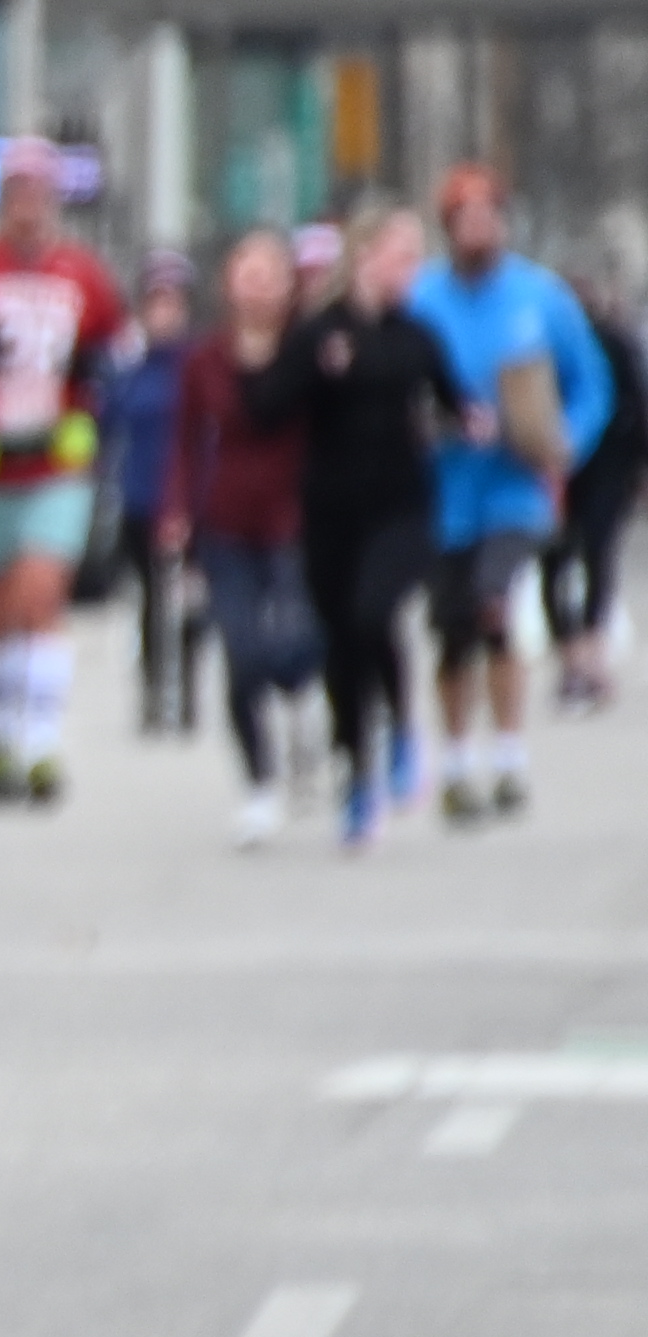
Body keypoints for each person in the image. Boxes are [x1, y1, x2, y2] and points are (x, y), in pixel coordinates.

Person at [401, 163, 614, 824]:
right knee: (452, 630)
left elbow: (591, 382)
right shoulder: (421, 298)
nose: (478, 229)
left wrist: (567, 436)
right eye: (465, 218)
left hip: (516, 487)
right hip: (444, 491)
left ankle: (510, 754)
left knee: (494, 606)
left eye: (488, 216)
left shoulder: (540, 297)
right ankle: (456, 760)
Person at [240, 206, 454, 853]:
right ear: (366, 257)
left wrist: (476, 419)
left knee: (373, 613)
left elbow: (454, 397)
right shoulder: (320, 333)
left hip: (401, 506)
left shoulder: (416, 334)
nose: (411, 269)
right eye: (401, 255)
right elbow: (267, 407)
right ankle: (357, 773)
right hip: (331, 510)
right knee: (340, 642)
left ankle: (402, 730)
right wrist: (279, 355)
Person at [0, 139, 129, 807]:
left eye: (39, 194)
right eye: (17, 194)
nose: (28, 207)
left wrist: (92, 414)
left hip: (55, 460)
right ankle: (0, 732)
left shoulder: (83, 274)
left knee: (41, 593)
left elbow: (112, 355)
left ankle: (41, 744)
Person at [163, 231, 323, 849]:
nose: (256, 288)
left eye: (268, 275)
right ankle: (259, 783)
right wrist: (176, 510)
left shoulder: (310, 351)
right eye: (245, 275)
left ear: (289, 286)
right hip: (225, 524)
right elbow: (185, 441)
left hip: (296, 519)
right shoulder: (206, 359)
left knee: (296, 639)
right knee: (241, 652)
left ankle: (305, 705)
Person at [104, 251, 195, 741]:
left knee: (188, 600)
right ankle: (153, 688)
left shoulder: (196, 364)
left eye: (171, 303)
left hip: (187, 500)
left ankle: (187, 689)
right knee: (151, 598)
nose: (163, 313)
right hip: (139, 496)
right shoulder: (129, 367)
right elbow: (107, 419)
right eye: (155, 302)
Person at [546, 266, 641, 713]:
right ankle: (571, 656)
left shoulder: (613, 341)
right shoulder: (540, 347)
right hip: (555, 467)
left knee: (597, 554)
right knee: (553, 562)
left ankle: (593, 653)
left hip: (607, 465)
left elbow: (637, 403)